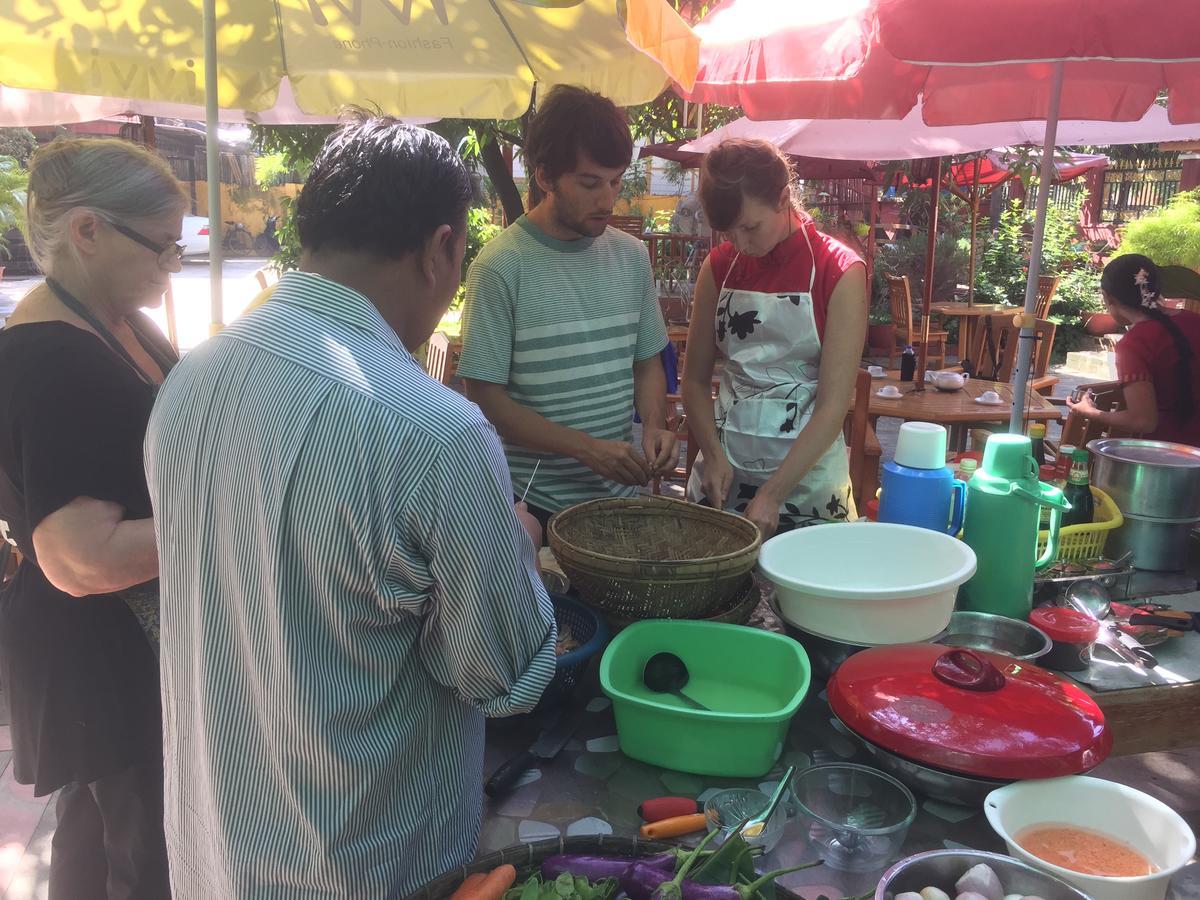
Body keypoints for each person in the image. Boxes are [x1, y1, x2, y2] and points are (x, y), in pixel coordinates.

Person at [144, 116, 556, 898]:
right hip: (365, 864)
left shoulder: (190, 380)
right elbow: (502, 678)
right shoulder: (437, 432)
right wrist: (517, 538)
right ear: (441, 249)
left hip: (211, 847)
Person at [0, 137, 179, 898]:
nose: (171, 266)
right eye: (161, 247)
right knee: (143, 860)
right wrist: (233, 514)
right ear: (86, 230)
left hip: (116, 657)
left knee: (96, 843)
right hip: (99, 664)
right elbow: (78, 560)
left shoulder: (111, 320)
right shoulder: (48, 360)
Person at [458, 85, 676, 530]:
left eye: (615, 181)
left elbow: (646, 364)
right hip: (529, 505)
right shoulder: (500, 266)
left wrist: (654, 424)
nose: (607, 200)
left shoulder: (633, 257)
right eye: (590, 183)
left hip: (618, 502)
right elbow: (485, 400)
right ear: (544, 176)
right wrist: (585, 448)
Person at [682, 139, 868, 538]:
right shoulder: (719, 267)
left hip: (808, 484)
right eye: (730, 231)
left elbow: (833, 406)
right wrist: (712, 456)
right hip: (725, 476)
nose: (741, 243)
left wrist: (772, 493)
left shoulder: (839, 271)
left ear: (784, 199)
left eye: (750, 227)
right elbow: (694, 381)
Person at [1068, 253, 1200, 445]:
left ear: (1107, 298)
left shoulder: (1134, 344)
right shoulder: (1194, 320)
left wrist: (1092, 412)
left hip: (1171, 458)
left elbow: (1143, 421)